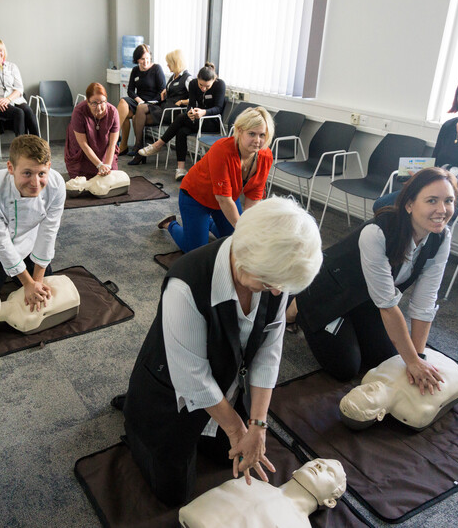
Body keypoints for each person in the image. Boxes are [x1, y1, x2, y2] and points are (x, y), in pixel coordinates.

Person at [118, 197, 324, 507]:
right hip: (173, 387)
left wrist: (258, 424)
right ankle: (135, 416)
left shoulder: (276, 278)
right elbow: (192, 377)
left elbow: (268, 352)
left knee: (225, 458)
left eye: (282, 285)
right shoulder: (186, 283)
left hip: (226, 378)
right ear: (245, 255)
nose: (277, 292)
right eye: (270, 282)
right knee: (173, 495)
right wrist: (236, 428)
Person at [290, 168, 458, 394]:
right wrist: (413, 362)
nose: (442, 210)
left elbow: (424, 302)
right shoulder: (377, 232)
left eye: (448, 201)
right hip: (329, 295)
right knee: (346, 368)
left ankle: (346, 322)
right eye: (432, 201)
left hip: (367, 298)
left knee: (386, 359)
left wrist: (418, 357)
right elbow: (387, 306)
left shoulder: (441, 237)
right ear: (409, 204)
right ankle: (298, 305)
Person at [373, 71, 458, 220]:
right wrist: (415, 177)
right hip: (435, 187)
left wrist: (433, 178)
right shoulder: (449, 126)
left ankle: (411, 235)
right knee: (381, 205)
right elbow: (435, 164)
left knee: (415, 211)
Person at [0, 135, 65, 308]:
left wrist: (36, 282)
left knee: (45, 290)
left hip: (27, 239)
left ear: (49, 167)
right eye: (27, 173)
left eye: (41, 173)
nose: (35, 183)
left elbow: (48, 232)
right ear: (11, 168)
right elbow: (1, 242)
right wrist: (27, 283)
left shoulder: (57, 185)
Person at [157, 106, 275, 253]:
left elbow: (253, 197)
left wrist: (246, 228)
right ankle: (170, 224)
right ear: (239, 131)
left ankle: (208, 223)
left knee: (234, 243)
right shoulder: (222, 150)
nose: (257, 141)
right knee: (195, 251)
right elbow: (223, 199)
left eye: (262, 135)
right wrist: (242, 231)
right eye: (252, 134)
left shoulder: (265, 156)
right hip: (196, 197)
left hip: (227, 198)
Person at [179, 458, 346, 528]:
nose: (319, 466)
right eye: (317, 462)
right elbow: (190, 513)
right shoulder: (249, 482)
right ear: (295, 470)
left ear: (331, 501)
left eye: (329, 472)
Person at [339, 348, 458, 431]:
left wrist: (416, 359)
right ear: (380, 414)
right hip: (457, 374)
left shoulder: (370, 377)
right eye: (368, 396)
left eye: (359, 389)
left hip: (424, 353)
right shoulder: (415, 412)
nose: (368, 387)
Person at [138, 62, 226, 179]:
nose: (203, 88)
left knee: (180, 117)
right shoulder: (193, 84)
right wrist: (190, 112)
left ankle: (158, 145)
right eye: (201, 85)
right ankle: (181, 169)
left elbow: (218, 108)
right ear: (197, 78)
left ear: (214, 80)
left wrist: (203, 112)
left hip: (211, 122)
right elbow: (191, 104)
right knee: (181, 131)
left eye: (207, 86)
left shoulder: (220, 85)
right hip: (196, 120)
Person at [127, 49, 192, 166]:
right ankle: (139, 149)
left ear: (176, 63)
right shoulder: (173, 77)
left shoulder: (187, 78)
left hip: (173, 112)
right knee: (139, 111)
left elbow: (194, 99)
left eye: (169, 63)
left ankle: (139, 150)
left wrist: (182, 101)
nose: (167, 65)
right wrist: (165, 91)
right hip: (164, 107)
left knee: (137, 117)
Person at [0, 274, 80, 335]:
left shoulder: (12, 296)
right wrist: (29, 283)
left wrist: (35, 281)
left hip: (62, 283)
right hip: (71, 294)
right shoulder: (23, 320)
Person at [0, 39, 39, 137]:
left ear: (4, 52)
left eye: (1, 50)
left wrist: (8, 99)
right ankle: (20, 145)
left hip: (15, 100)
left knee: (28, 111)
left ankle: (38, 143)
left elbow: (19, 89)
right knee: (19, 113)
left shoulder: (12, 67)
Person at [116, 44, 165, 156]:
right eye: (142, 59)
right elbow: (130, 90)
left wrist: (147, 103)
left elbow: (162, 91)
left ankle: (119, 142)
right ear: (137, 59)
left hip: (152, 103)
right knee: (123, 102)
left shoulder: (156, 69)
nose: (145, 61)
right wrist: (138, 100)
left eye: (147, 58)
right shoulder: (135, 70)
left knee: (130, 114)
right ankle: (117, 137)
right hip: (139, 101)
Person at [63, 82, 119, 179]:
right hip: (82, 151)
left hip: (105, 150)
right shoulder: (79, 112)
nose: (99, 107)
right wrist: (99, 165)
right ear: (87, 102)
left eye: (102, 102)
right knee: (82, 181)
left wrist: (107, 166)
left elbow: (112, 144)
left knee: (111, 178)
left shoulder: (113, 112)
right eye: (94, 103)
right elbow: (83, 144)